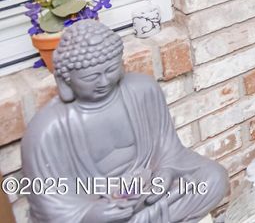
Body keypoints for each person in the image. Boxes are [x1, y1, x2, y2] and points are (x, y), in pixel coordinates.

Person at [20, 20, 228, 222]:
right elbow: (50, 204)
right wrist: (91, 215)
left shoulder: (142, 90)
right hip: (98, 206)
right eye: (91, 77)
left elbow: (168, 149)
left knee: (213, 178)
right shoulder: (47, 130)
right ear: (65, 79)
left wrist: (166, 171)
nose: (103, 82)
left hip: (147, 189)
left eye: (110, 70)